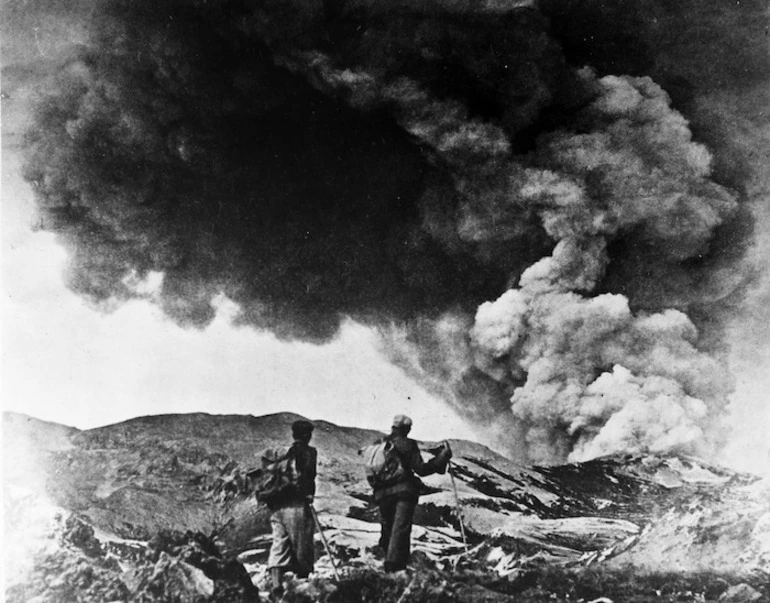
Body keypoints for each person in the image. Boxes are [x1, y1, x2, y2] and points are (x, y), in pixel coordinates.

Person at [372, 414, 452, 573]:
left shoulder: (379, 444)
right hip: (403, 492)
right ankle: (395, 568)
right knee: (400, 529)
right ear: (407, 429)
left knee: (387, 528)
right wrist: (442, 458)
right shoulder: (408, 444)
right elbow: (421, 469)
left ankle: (384, 564)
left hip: (382, 494)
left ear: (393, 427)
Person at [267, 419, 317, 599]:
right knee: (302, 545)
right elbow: (309, 477)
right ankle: (302, 586)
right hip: (296, 504)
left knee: (279, 543)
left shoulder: (283, 454)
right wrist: (308, 495)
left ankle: (275, 585)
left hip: (277, 505)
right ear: (307, 435)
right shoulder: (309, 452)